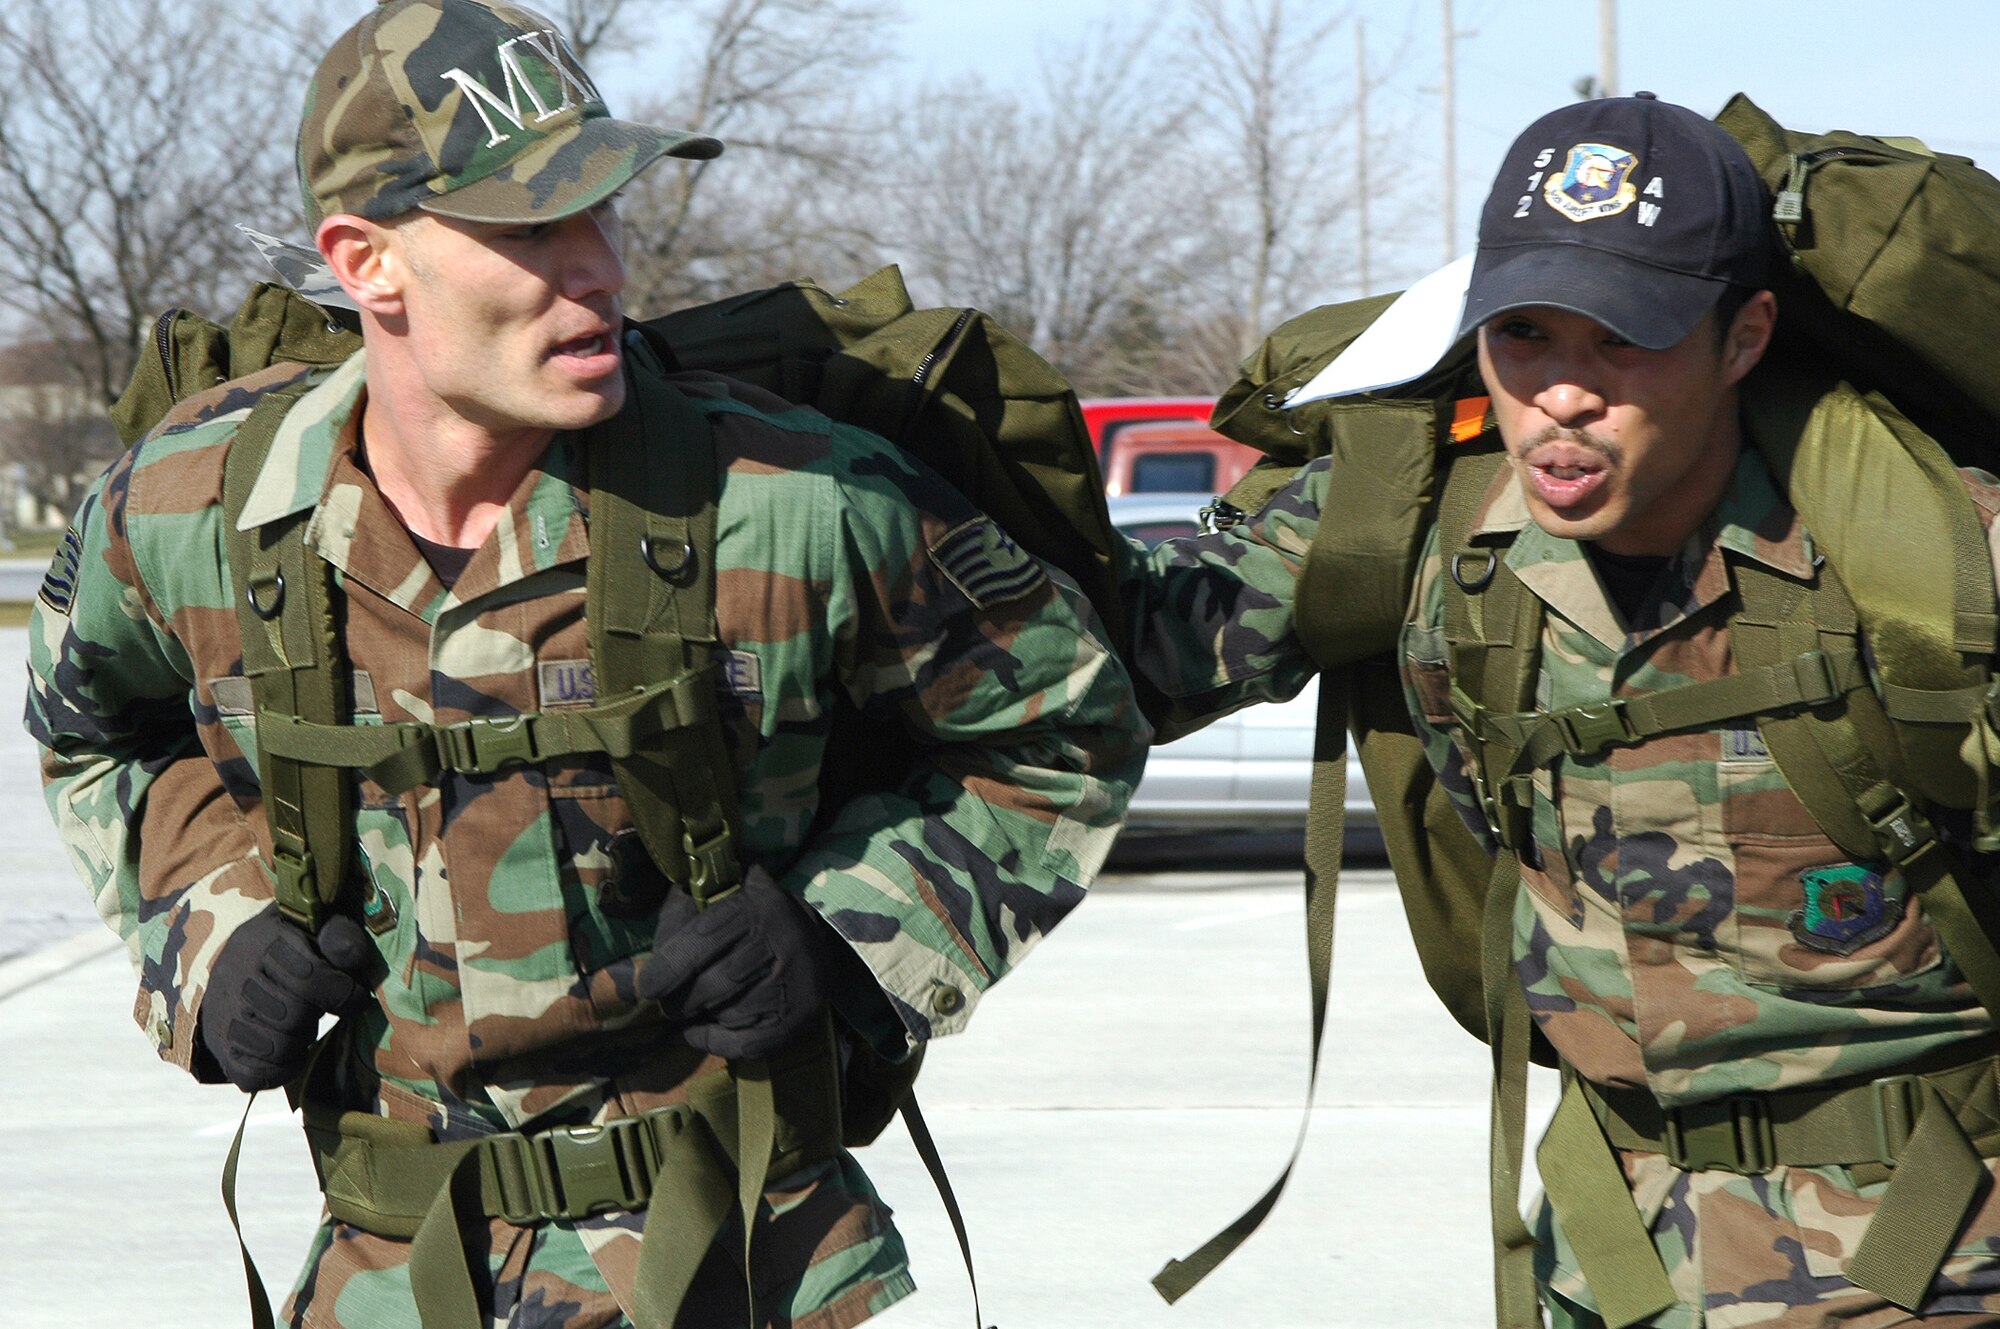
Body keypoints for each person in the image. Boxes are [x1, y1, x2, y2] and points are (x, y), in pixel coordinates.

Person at [22, 3, 1144, 1327]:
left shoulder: (793, 500)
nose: (600, 269)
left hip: (742, 1262)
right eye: (529, 229)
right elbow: (94, 732)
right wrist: (211, 932)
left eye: (603, 211)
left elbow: (1060, 725)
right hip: (389, 1271)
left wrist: (846, 937)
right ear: (367, 262)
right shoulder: (189, 510)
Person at [1122, 92, 2000, 1326]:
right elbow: (1086, 666)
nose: (1560, 395)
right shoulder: (1422, 528)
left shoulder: (1931, 558)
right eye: (1522, 334)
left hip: (1930, 1251)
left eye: (1622, 339)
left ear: (1741, 337)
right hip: (1603, 1253)